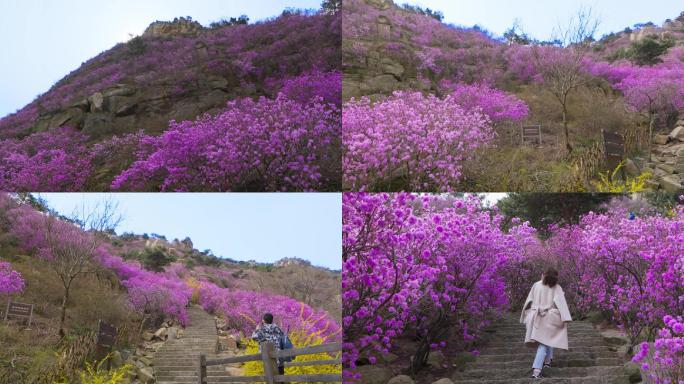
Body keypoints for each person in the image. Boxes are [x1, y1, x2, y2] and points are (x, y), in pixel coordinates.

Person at [520, 267, 572, 379]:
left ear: (543, 274)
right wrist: (565, 317)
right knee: (545, 341)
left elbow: (528, 300)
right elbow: (561, 302)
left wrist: (526, 315)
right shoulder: (556, 287)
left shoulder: (536, 285)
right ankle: (537, 371)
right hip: (548, 316)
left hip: (535, 316)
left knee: (546, 339)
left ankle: (547, 362)